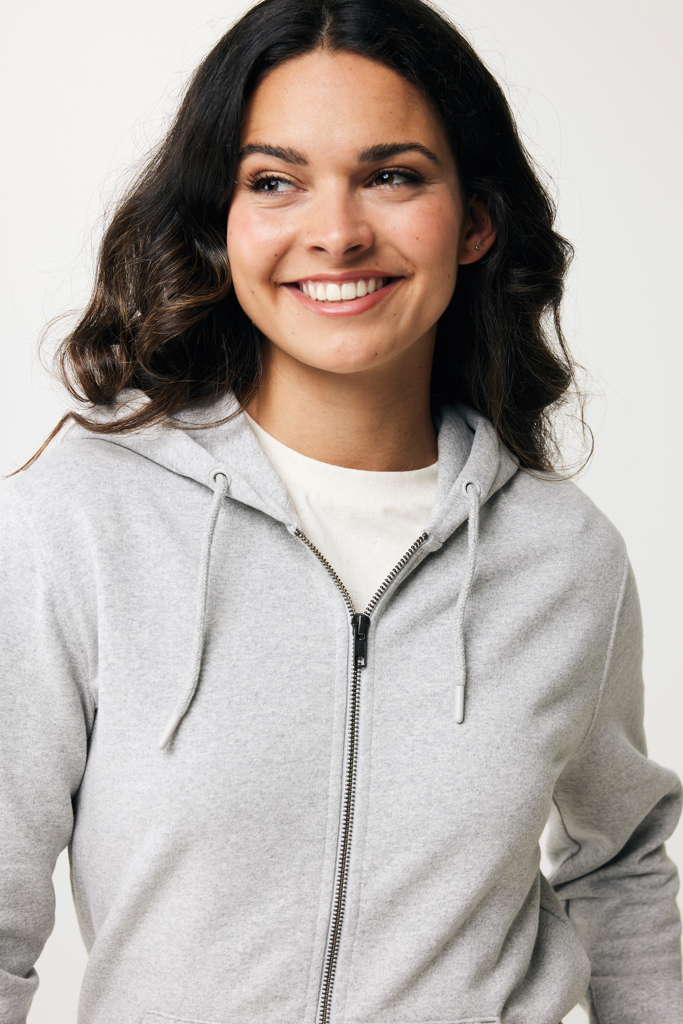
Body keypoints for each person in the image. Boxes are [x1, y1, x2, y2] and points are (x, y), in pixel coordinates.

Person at [0, 0, 681, 1022]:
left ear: (475, 220)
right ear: (219, 226)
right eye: (274, 182)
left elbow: (619, 866)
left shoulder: (563, 555)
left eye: (391, 176)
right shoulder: (81, 524)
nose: (336, 233)